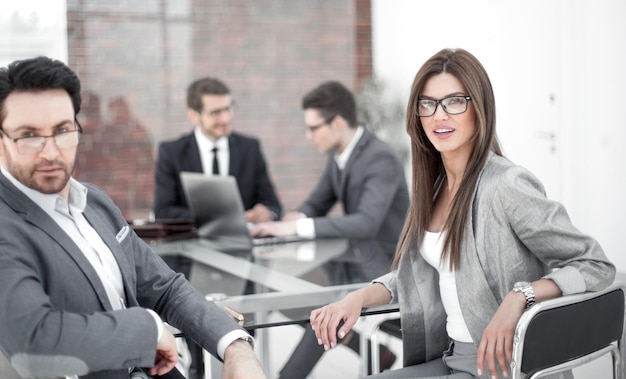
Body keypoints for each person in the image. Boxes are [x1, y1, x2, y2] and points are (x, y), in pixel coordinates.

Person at [309, 48, 616, 379]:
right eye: (428, 104)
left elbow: (595, 265)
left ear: (479, 107)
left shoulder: (505, 184)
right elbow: (415, 276)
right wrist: (356, 298)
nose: (440, 115)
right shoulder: (433, 189)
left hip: (504, 366)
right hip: (451, 356)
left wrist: (521, 296)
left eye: (454, 101)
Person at [0, 56, 266, 379]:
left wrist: (235, 346)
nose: (51, 151)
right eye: (29, 135)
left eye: (62, 131)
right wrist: (149, 329)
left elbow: (165, 288)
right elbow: (34, 344)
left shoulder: (94, 201)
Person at [251, 80, 409, 377]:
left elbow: (365, 223)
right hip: (355, 264)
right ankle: (372, 350)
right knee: (285, 294)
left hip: (388, 268)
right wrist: (283, 224)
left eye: (313, 128)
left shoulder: (380, 157)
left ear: (337, 123)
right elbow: (314, 205)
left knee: (320, 305)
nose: (308, 136)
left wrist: (299, 226)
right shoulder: (340, 157)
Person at [153, 77, 282, 223]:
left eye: (228, 109)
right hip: (191, 242)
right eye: (216, 113)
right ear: (194, 115)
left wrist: (267, 213)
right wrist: (218, 218)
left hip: (242, 241)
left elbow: (273, 205)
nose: (225, 119)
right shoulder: (172, 152)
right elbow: (162, 211)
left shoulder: (250, 148)